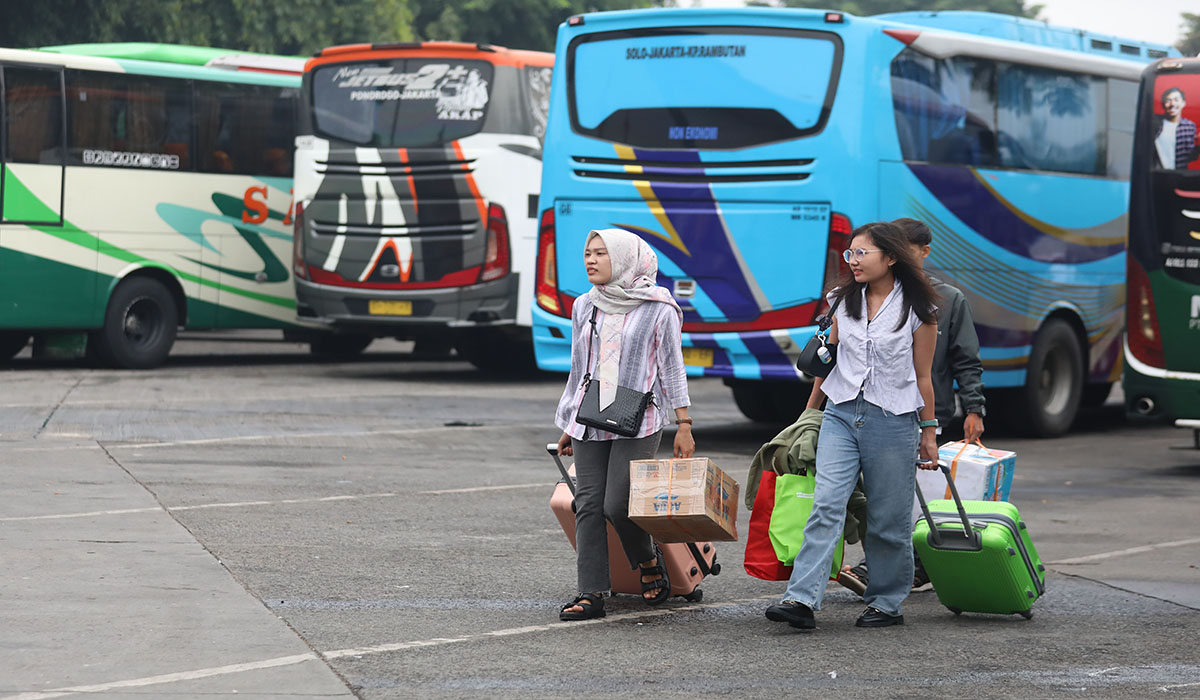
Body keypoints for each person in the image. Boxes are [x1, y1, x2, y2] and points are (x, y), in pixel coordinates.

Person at [764, 221, 939, 630]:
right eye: (850, 254)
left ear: (891, 257)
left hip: (893, 419)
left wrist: (928, 432)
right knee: (825, 504)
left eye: (862, 253)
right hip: (841, 413)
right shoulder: (842, 301)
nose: (853, 261)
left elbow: (924, 377)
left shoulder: (919, 310)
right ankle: (801, 599)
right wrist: (809, 416)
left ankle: (886, 603)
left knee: (888, 518)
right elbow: (828, 363)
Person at [836, 217, 986, 596]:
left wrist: (974, 408)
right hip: (874, 411)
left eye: (904, 250)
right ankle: (886, 570)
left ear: (921, 252)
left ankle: (908, 571)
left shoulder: (947, 299)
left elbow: (966, 359)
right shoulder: (862, 295)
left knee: (911, 502)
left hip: (927, 412)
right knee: (879, 498)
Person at [553, 228, 694, 621]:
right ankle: (591, 592)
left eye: (601, 253)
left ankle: (647, 562)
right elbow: (580, 367)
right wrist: (569, 421)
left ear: (627, 259)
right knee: (588, 503)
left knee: (619, 504)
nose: (591, 260)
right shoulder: (585, 305)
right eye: (587, 253)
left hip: (642, 417)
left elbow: (671, 366)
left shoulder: (659, 308)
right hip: (592, 414)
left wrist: (683, 422)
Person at [1154, 87, 1198, 170]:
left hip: (1179, 176)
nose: (1172, 104)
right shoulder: (1155, 123)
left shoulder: (1190, 126)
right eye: (1168, 101)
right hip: (1158, 175)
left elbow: (1190, 157)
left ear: (1183, 103)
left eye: (1176, 100)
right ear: (1163, 105)